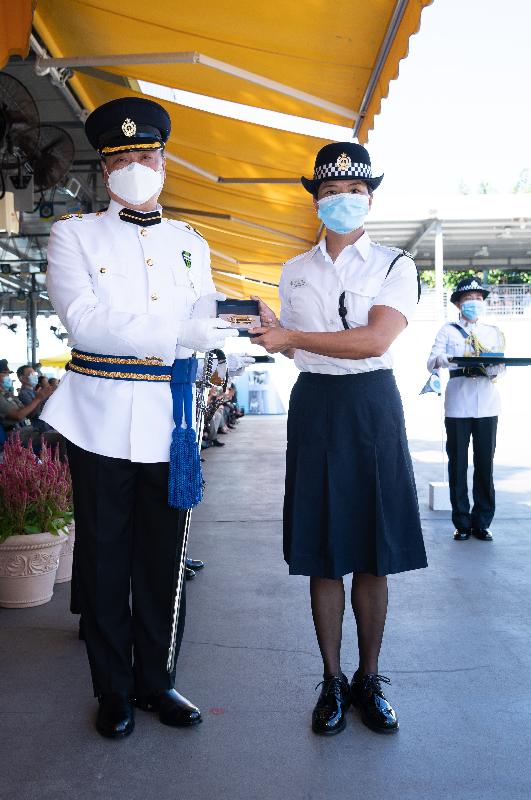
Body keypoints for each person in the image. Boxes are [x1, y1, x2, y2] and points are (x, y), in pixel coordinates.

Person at [40, 97, 238, 739]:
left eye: (144, 154)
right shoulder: (74, 234)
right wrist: (183, 330)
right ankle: (113, 689)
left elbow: (207, 327)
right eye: (120, 156)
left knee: (164, 560)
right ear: (104, 169)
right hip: (98, 419)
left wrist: (225, 330)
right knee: (102, 560)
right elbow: (87, 323)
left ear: (164, 160)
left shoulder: (190, 243)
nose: (134, 165)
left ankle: (158, 680)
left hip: (170, 424)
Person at [250, 142, 427, 736]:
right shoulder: (294, 271)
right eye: (330, 194)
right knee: (323, 551)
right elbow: (297, 349)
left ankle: (369, 677)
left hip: (372, 403)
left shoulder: (396, 265)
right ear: (316, 203)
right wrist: (276, 335)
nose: (342, 202)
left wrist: (293, 334)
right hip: (316, 406)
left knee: (372, 553)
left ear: (370, 199)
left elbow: (376, 341)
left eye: (353, 193)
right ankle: (331, 679)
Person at [427, 277, 505, 542]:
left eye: (479, 299)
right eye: (469, 299)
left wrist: (495, 367)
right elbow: (432, 360)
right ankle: (461, 522)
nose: (475, 303)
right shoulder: (448, 331)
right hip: (458, 403)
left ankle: (482, 522)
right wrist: (448, 360)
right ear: (459, 303)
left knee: (485, 465)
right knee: (458, 465)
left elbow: (500, 367)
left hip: (487, 403)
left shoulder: (492, 331)